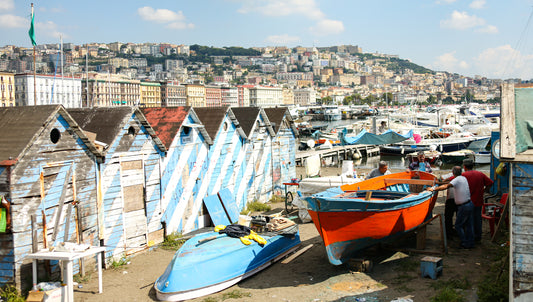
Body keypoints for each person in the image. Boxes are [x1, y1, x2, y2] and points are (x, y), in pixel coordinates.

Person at [427, 166, 474, 249]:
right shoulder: (463, 178)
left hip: (464, 206)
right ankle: (470, 242)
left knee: (458, 225)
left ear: (453, 173)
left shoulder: (457, 179)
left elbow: (446, 186)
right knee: (468, 225)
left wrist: (434, 189)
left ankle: (464, 243)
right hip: (469, 203)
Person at [462, 159, 493, 241]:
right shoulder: (480, 174)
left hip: (468, 201)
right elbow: (490, 183)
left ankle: (470, 238)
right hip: (478, 200)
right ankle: (478, 236)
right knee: (477, 219)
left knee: (468, 220)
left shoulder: (463, 175)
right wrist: (485, 190)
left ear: (464, 167)